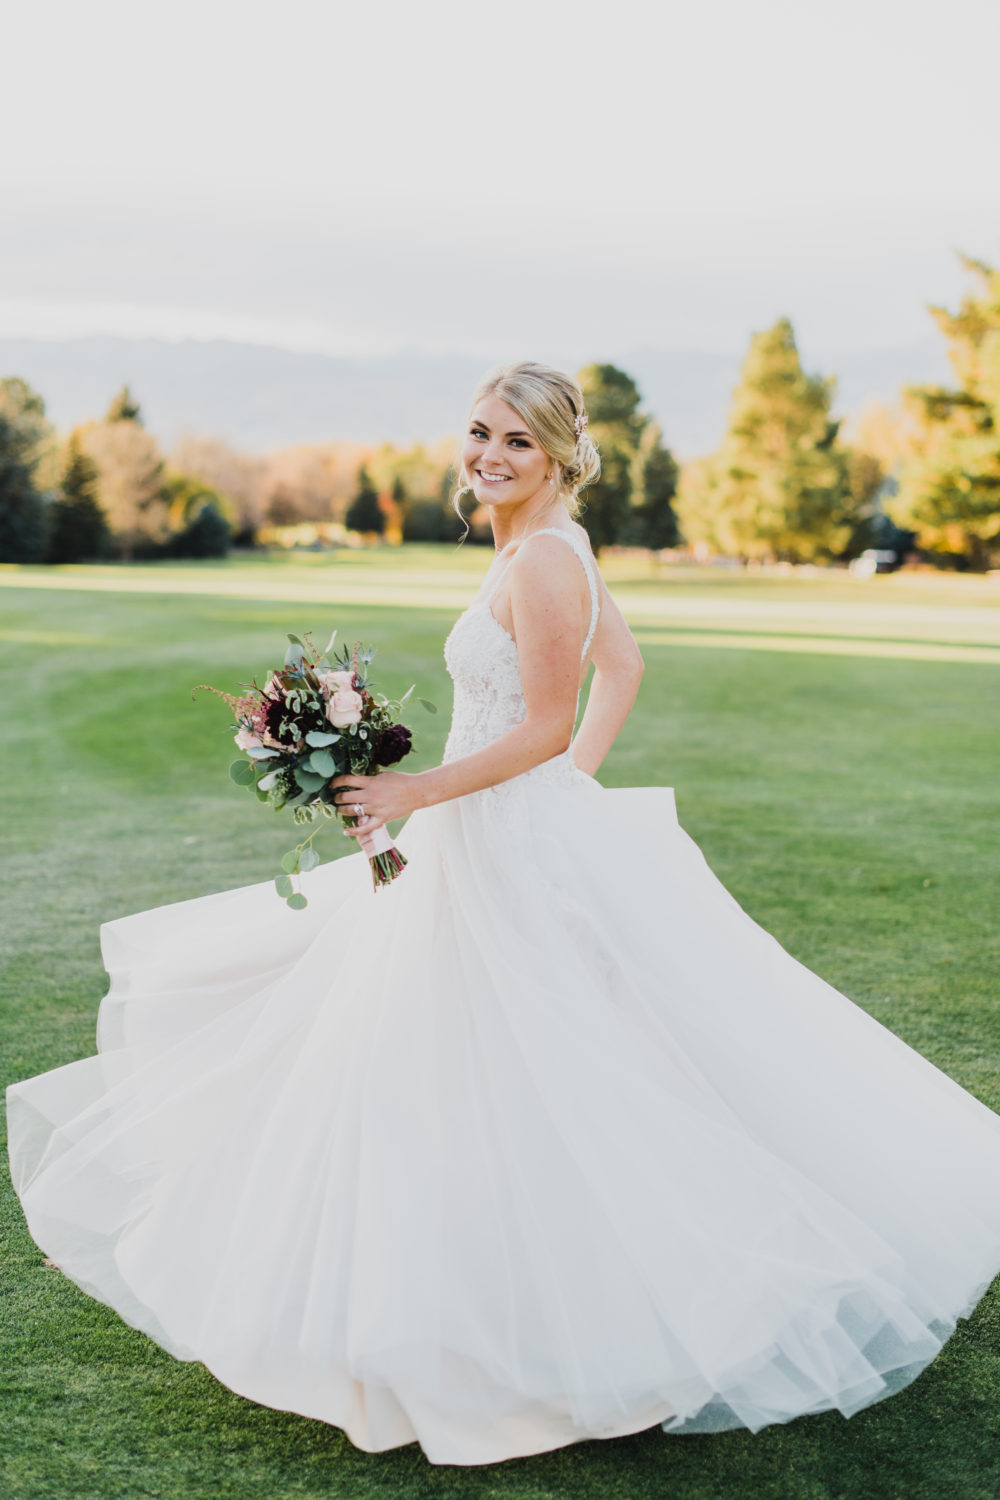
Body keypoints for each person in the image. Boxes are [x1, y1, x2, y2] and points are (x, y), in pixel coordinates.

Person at [7, 361, 1000, 1468]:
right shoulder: (544, 547)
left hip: (488, 840)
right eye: (480, 431)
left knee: (518, 1067)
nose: (488, 455)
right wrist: (556, 793)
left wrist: (423, 792)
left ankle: (552, 1331)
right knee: (461, 1058)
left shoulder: (541, 559)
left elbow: (539, 718)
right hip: (499, 833)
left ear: (560, 457)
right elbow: (620, 669)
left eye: (516, 442)